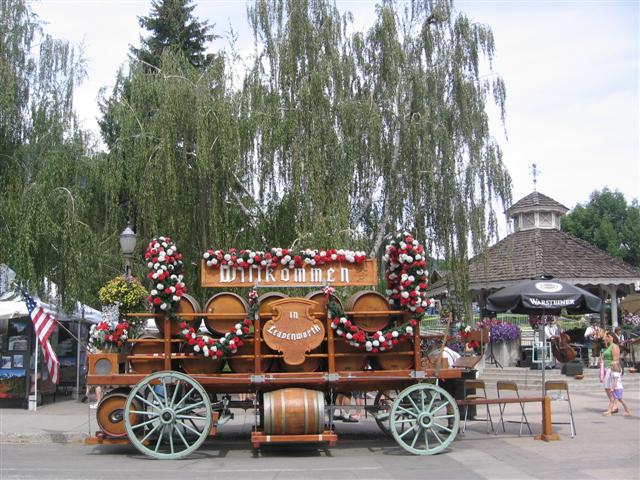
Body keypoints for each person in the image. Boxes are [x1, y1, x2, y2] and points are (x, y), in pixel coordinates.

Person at [601, 330, 623, 415]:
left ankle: (614, 405)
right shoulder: (608, 346)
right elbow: (605, 355)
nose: (605, 338)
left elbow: (615, 359)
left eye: (607, 337)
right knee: (606, 387)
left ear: (611, 338)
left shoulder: (614, 347)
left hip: (612, 369)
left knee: (610, 387)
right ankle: (613, 403)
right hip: (606, 368)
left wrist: (613, 369)